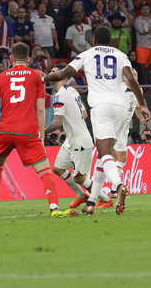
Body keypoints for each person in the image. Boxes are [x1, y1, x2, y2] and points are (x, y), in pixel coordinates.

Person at [43, 27, 150, 216]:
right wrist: (141, 104)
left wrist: (42, 78)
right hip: (120, 106)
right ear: (111, 41)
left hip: (101, 107)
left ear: (93, 40)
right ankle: (92, 201)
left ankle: (117, 186)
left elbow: (62, 74)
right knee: (103, 156)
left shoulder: (87, 54)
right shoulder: (120, 54)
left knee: (104, 153)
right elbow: (132, 79)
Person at [0, 43, 73, 219]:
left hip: (5, 131)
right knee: (44, 171)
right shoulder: (36, 77)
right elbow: (41, 109)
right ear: (28, 59)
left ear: (10, 59)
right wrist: (41, 133)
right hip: (27, 131)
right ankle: (54, 207)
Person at [45, 62, 113, 210]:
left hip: (79, 141)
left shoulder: (60, 95)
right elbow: (84, 114)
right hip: (72, 139)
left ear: (62, 75)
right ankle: (82, 196)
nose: (51, 73)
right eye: (51, 70)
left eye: (55, 71)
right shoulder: (72, 91)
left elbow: (57, 123)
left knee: (79, 177)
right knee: (58, 169)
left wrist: (41, 133)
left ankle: (106, 199)